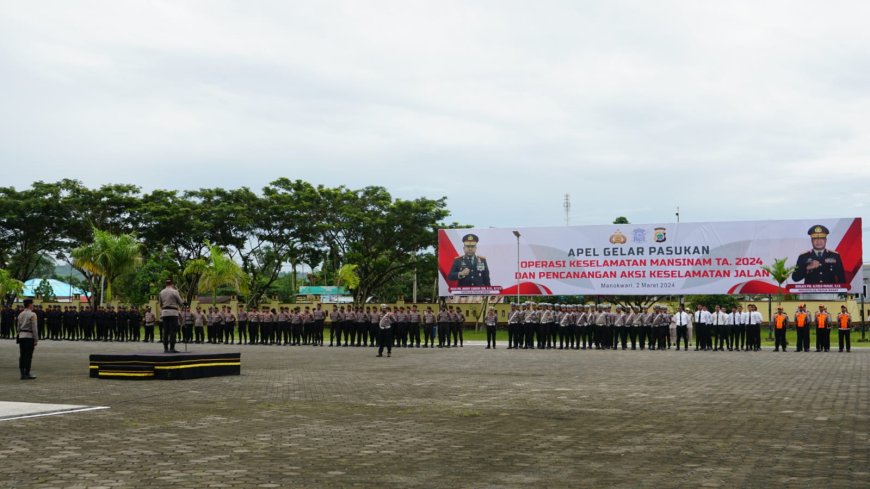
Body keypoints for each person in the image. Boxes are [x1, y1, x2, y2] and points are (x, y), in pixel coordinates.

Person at [158, 279, 184, 353]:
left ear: (165, 284)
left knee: (165, 331)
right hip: (173, 312)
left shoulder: (161, 292)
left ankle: (166, 348)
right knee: (173, 331)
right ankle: (172, 348)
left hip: (165, 313)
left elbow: (160, 304)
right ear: (172, 284)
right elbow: (180, 302)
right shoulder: (175, 291)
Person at [17, 299, 38, 380]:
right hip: (29, 337)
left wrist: (19, 334)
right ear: (29, 305)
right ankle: (27, 373)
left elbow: (18, 327)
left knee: (22, 355)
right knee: (28, 356)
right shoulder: (32, 314)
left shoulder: (20, 314)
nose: (33, 305)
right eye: (32, 304)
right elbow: (34, 328)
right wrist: (36, 339)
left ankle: (22, 373)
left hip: (22, 336)